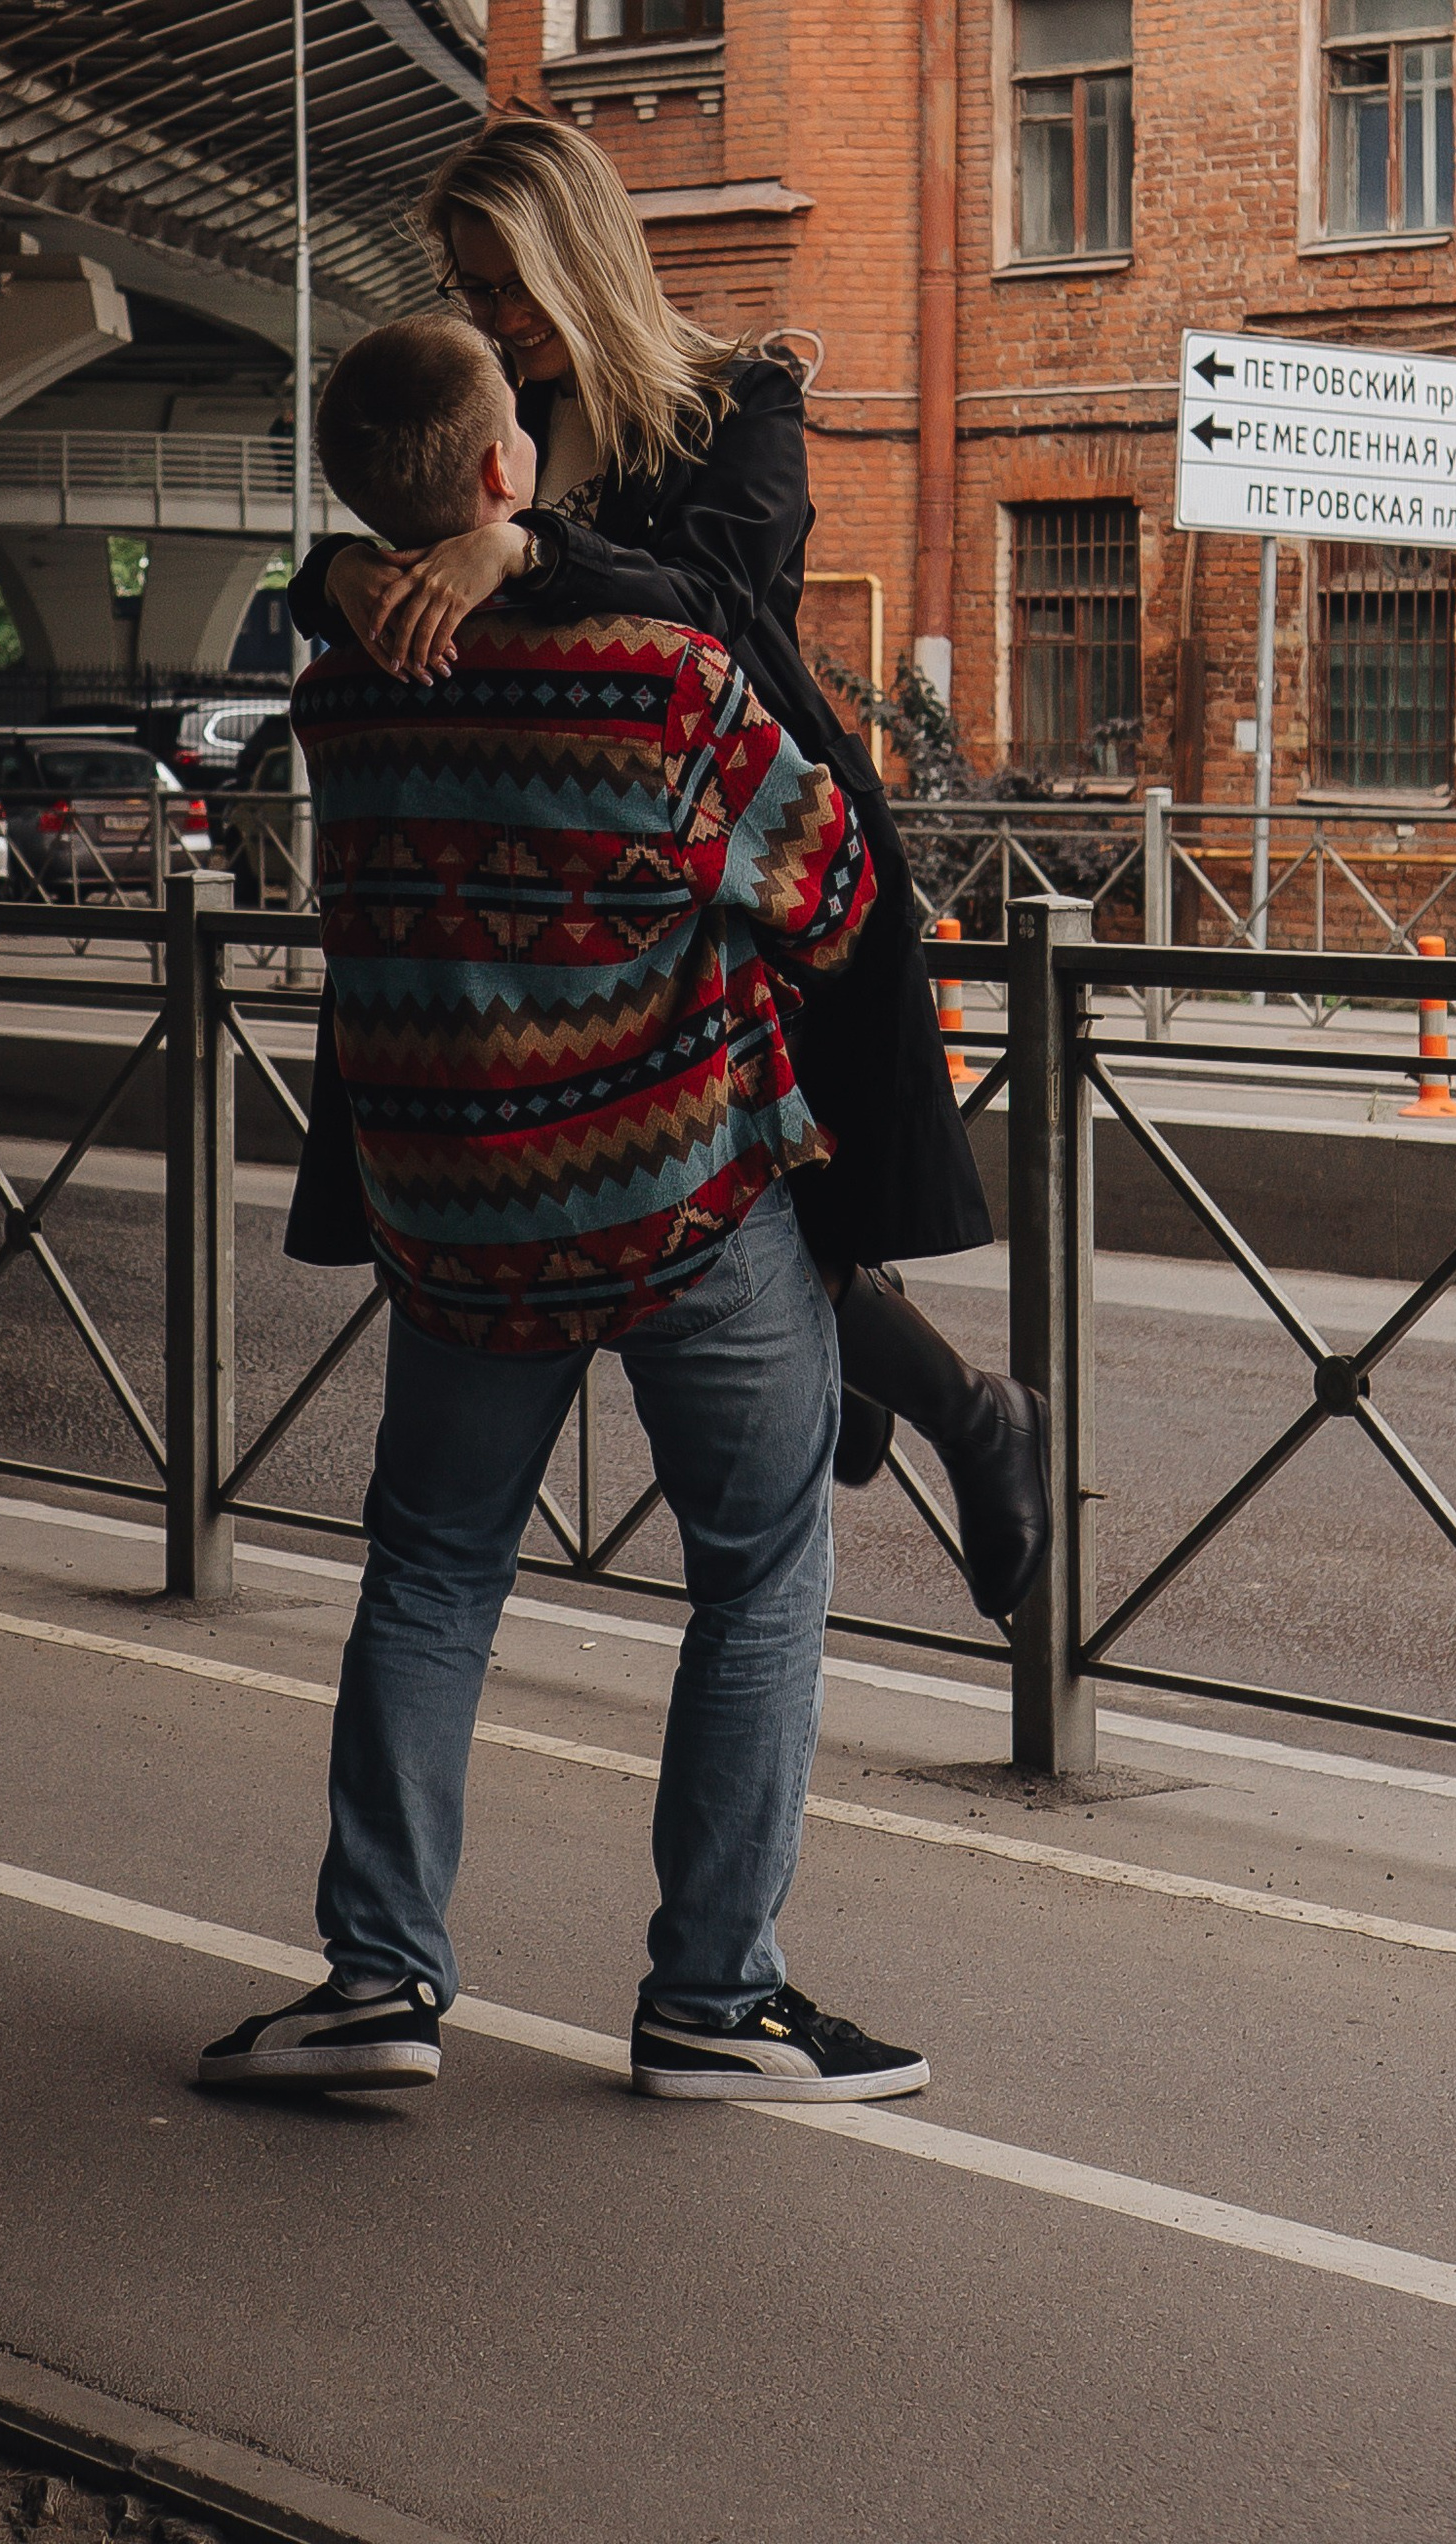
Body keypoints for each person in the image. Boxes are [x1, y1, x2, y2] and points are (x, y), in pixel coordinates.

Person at [202, 317, 931, 2103]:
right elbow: (836, 891)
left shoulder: (343, 695)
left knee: (432, 1577)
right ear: (501, 470)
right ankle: (714, 1999)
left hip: (459, 1223)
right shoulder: (658, 672)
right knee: (758, 1576)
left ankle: (377, 1981)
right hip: (687, 1201)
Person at [283, 110, 1046, 1621]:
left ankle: (962, 1415)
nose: (489, 313)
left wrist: (527, 554)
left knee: (775, 1214)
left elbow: (718, 593)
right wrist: (339, 568)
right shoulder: (493, 409)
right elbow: (393, 550)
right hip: (556, 911)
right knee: (695, 1220)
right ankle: (941, 1408)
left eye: (506, 280)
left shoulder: (736, 399)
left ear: (580, 259)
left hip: (760, 875)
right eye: (467, 282)